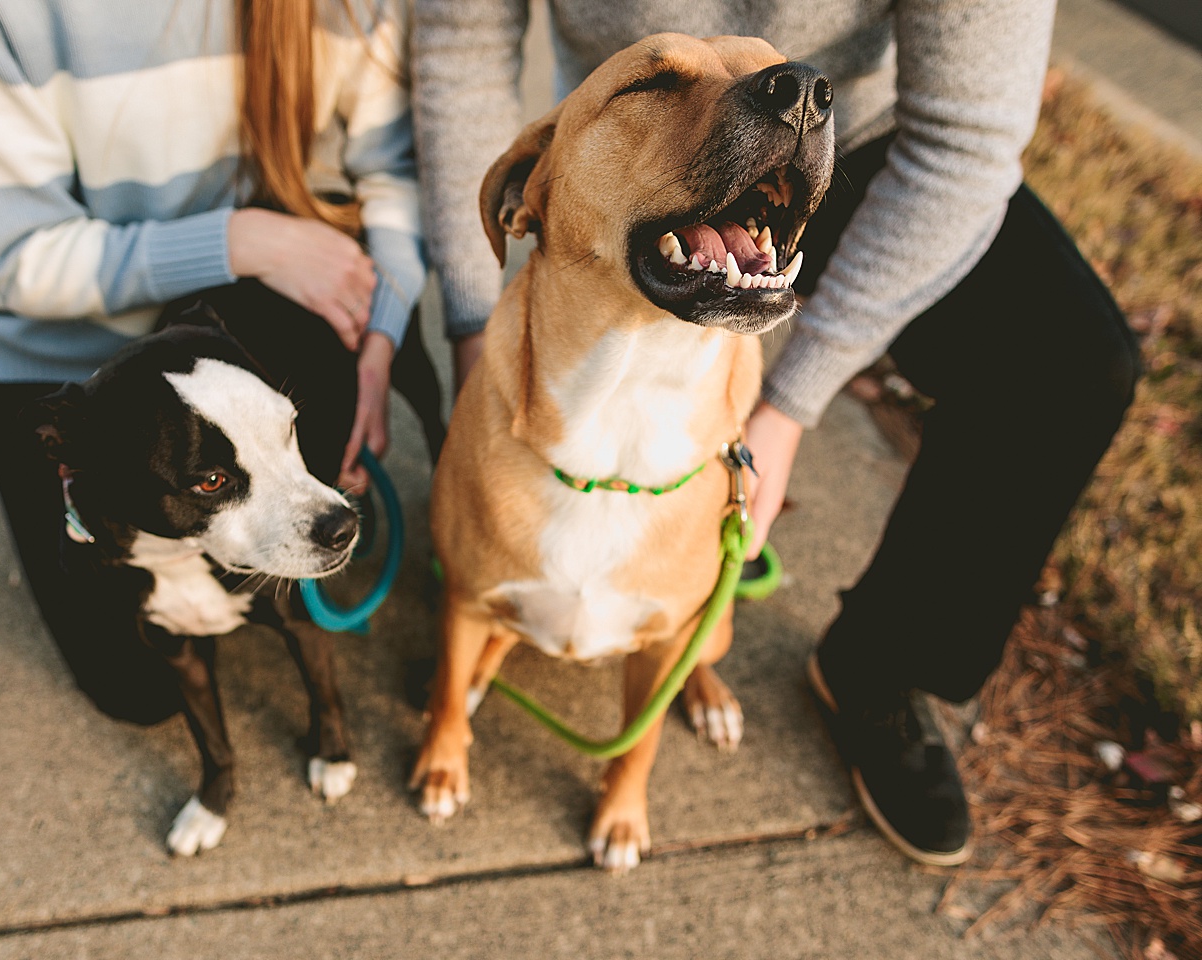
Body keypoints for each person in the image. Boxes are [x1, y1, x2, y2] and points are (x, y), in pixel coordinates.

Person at [411, 0, 1141, 865]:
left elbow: (971, 142)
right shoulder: (572, 167)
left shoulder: (812, 122)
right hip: (657, 159)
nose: (789, 89)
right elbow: (459, 32)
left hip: (879, 146)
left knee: (1071, 362)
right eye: (659, 79)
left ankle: (878, 669)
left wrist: (789, 405)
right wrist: (470, 319)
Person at [0, 0, 440, 723]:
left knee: (307, 517)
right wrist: (243, 239)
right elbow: (22, 255)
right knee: (140, 692)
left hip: (255, 303)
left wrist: (382, 340)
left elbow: (392, 171)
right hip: (59, 334)